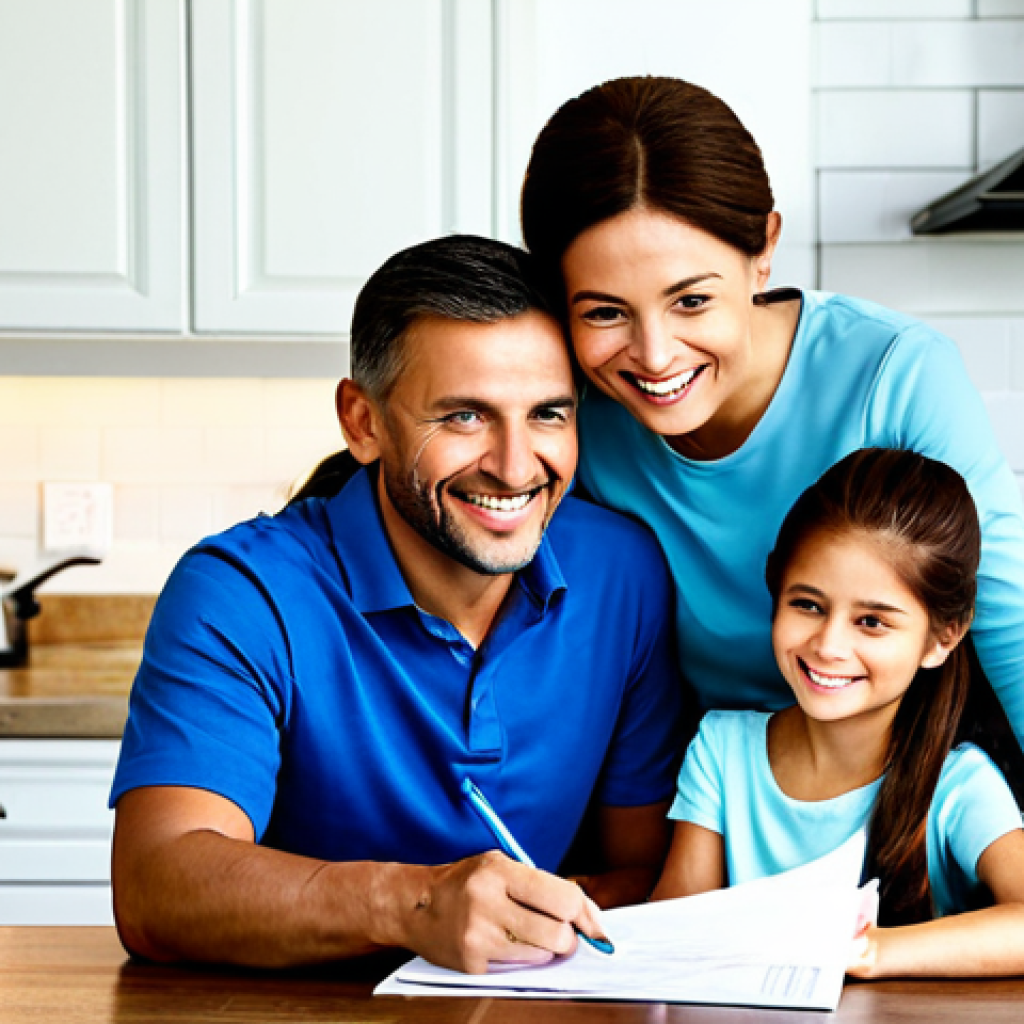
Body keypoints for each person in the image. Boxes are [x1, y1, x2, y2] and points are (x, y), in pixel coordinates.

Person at [109, 235, 683, 973]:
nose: (514, 467)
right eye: (464, 417)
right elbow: (157, 889)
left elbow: (647, 876)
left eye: (547, 414)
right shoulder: (237, 592)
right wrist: (415, 907)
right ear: (363, 422)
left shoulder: (622, 572)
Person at [520, 76, 1024, 757]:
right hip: (703, 788)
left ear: (763, 252)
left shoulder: (897, 373)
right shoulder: (569, 415)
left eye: (691, 301)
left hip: (902, 785)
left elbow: (1006, 616)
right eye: (605, 312)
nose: (655, 355)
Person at [652, 447, 1024, 978]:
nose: (828, 645)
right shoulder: (720, 750)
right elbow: (672, 933)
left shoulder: (958, 785)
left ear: (942, 638)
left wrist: (868, 952)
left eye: (871, 622)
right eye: (807, 605)